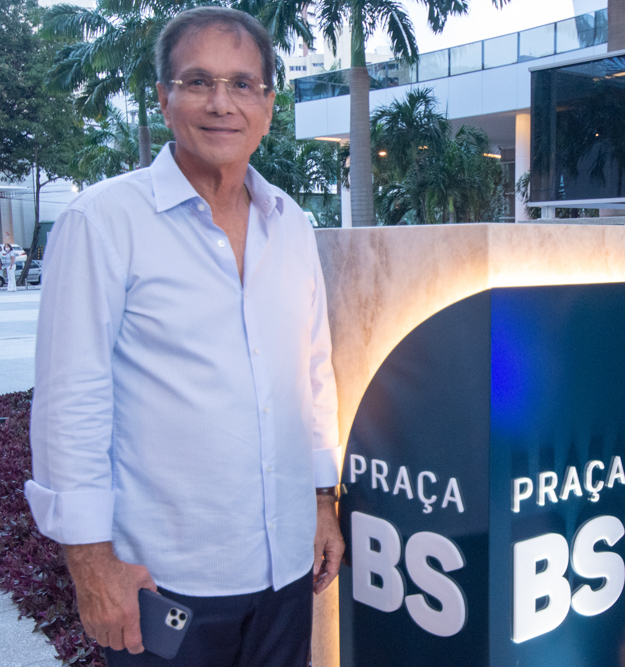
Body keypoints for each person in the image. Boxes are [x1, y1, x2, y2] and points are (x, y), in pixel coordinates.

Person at [25, 7, 344, 665]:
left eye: (242, 84)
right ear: (165, 99)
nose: (221, 103)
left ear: (268, 105)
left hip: (284, 569)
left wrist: (320, 500)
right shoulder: (103, 221)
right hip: (164, 578)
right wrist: (91, 564)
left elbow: (311, 372)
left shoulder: (291, 224)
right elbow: (69, 404)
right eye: (198, 82)